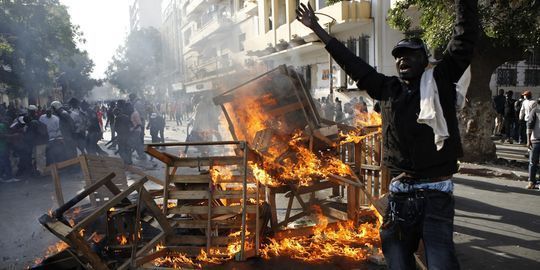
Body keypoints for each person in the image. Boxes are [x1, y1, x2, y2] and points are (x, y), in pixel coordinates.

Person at [297, 0, 478, 268]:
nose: (402, 59)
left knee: (441, 262)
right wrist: (318, 30)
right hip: (400, 194)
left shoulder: (440, 80)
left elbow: (464, 38)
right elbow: (353, 64)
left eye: (410, 54)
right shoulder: (387, 89)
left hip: (435, 194)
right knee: (397, 261)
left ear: (424, 60)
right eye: (398, 56)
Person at [526, 98, 540, 190]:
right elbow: (529, 125)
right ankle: (532, 182)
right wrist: (528, 140)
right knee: (533, 162)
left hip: (535, 141)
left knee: (533, 163)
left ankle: (533, 182)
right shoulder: (535, 111)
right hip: (535, 141)